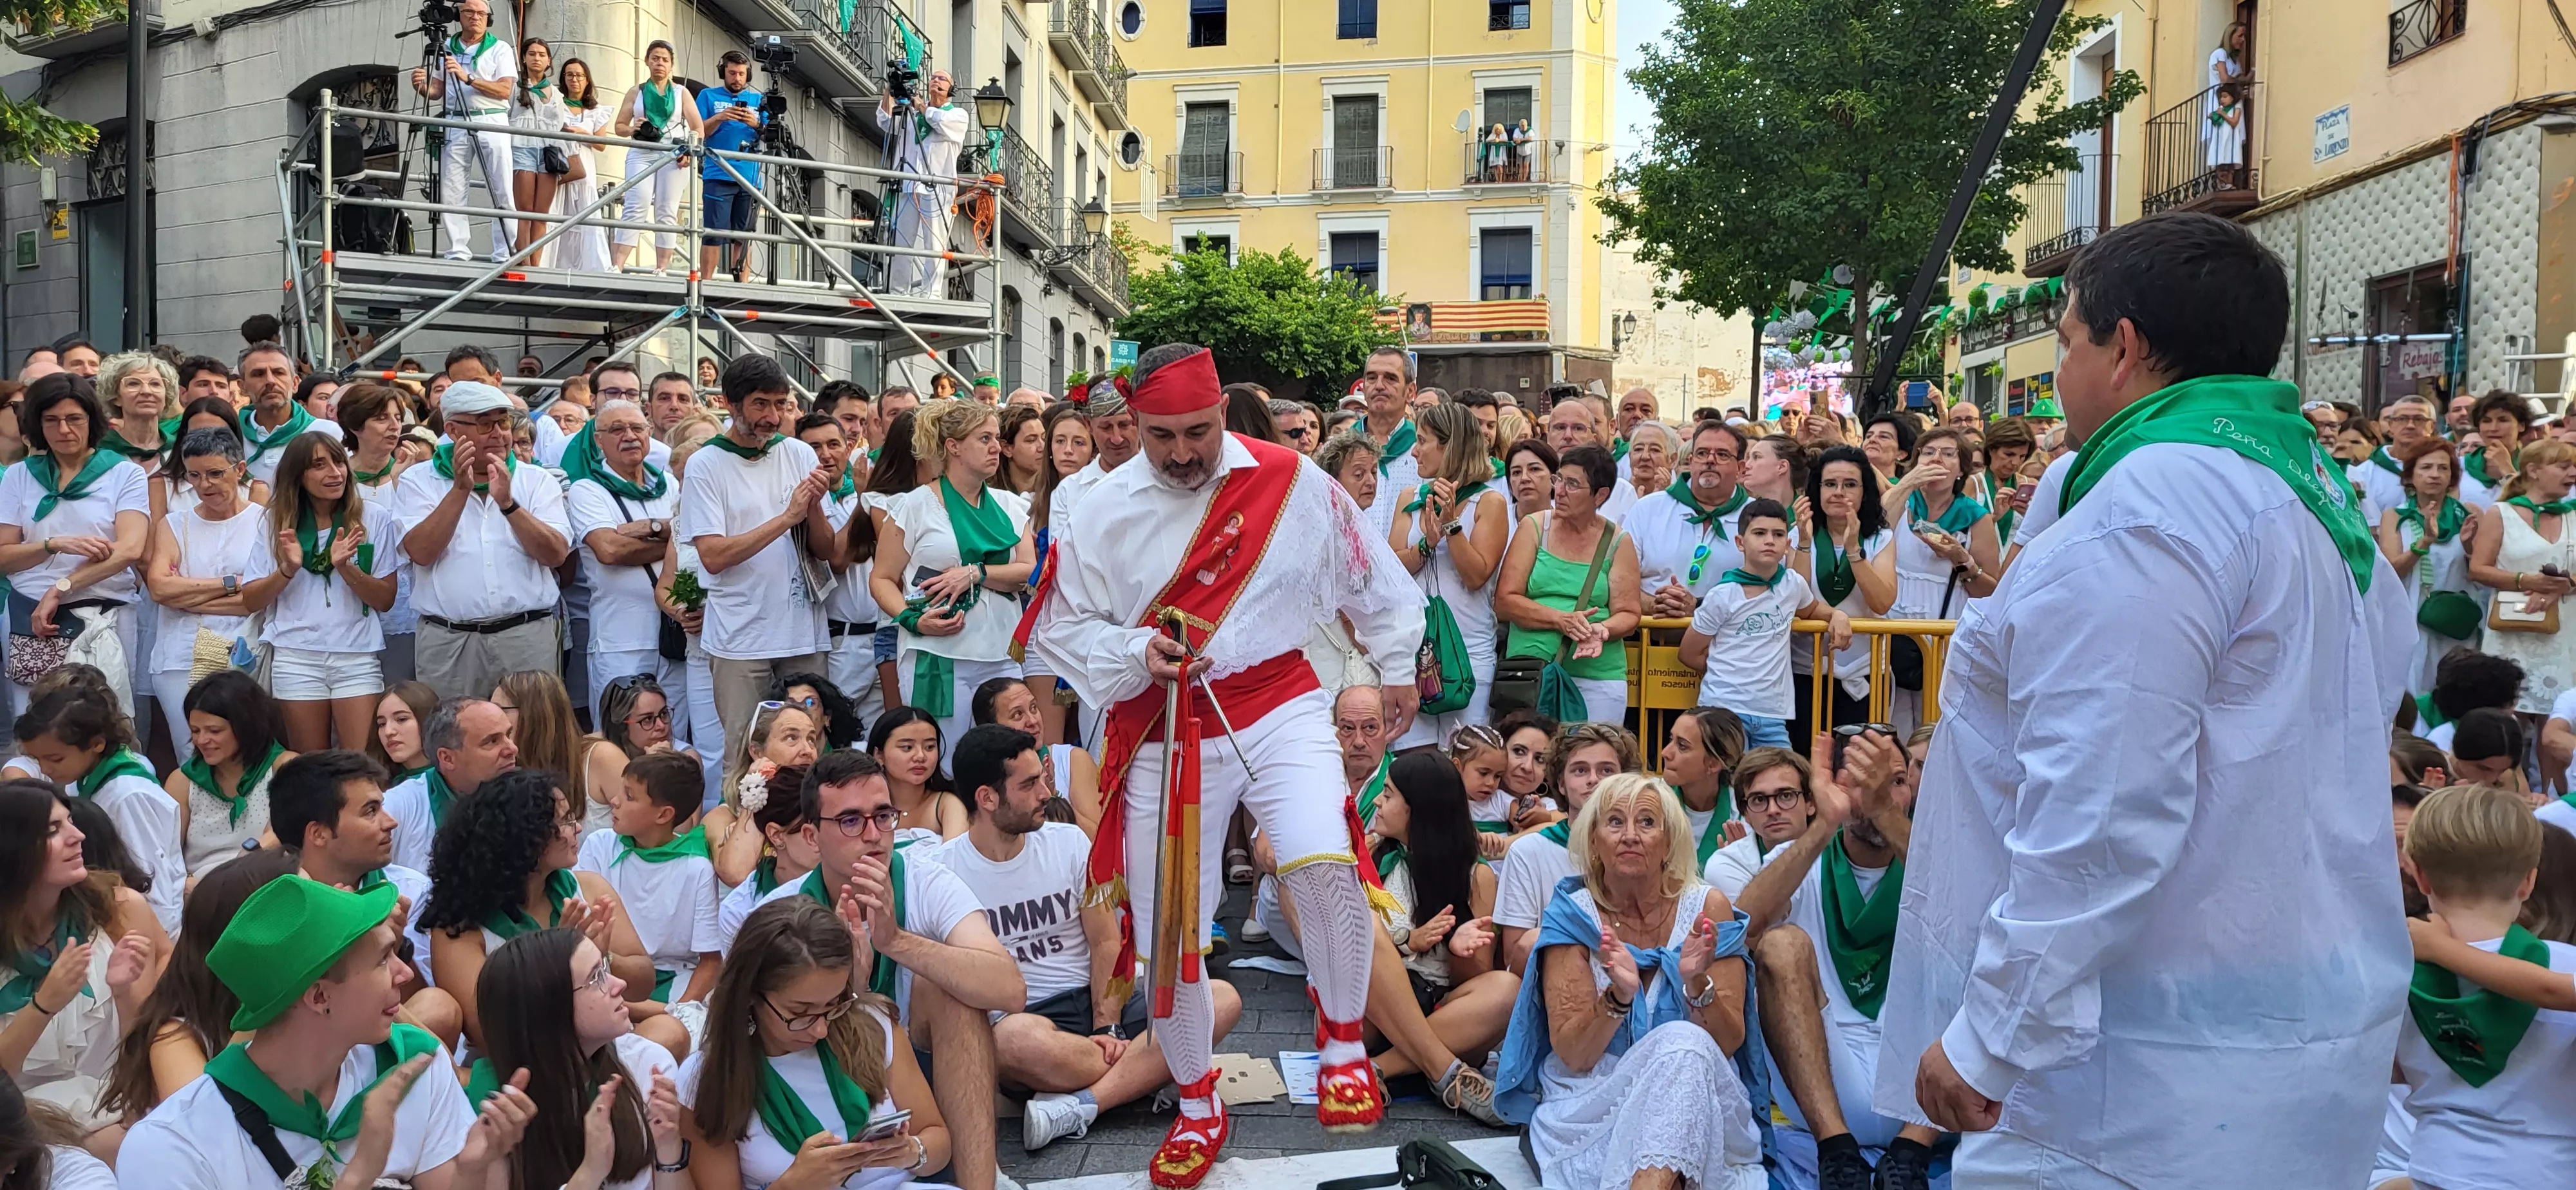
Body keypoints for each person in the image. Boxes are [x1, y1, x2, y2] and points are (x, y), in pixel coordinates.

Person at [1879, 213, 2413, 1187]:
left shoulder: (2152, 503)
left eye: (2069, 342)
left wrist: (1992, 1032)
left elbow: (2104, 804)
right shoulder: (2311, 494)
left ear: (2121, 348)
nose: (2064, 368)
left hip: (2139, 1083)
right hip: (2277, 1038)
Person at [1028, 343, 1427, 1180]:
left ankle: (1346, 1042)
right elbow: (1057, 629)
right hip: (1165, 718)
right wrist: (1139, 650)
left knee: (1321, 859)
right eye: (1162, 435)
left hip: (1281, 700)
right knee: (1173, 926)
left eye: (1199, 432)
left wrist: (1395, 664)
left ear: (1222, 415)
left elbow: (1372, 575)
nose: (1182, 452)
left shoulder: (1290, 481)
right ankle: (1198, 1100)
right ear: (1134, 425)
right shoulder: (1096, 508)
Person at [931, 724, 1245, 1151]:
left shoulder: (1068, 842)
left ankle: (1084, 1103)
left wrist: (1108, 1025)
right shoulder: (943, 871)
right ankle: (1146, 1073)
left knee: (1220, 999)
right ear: (987, 799)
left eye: (1042, 778)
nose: (1046, 793)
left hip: (1099, 1000)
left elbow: (1104, 942)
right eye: (1028, 785)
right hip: (1028, 1020)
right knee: (1009, 1042)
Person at [115, 873, 536, 1189]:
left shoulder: (413, 1065)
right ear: (319, 998)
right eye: (383, 959)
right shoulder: (172, 1145)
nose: (405, 972)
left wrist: (481, 1164)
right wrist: (362, 1172)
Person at [724, 751, 1014, 1190]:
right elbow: (749, 1022)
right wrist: (849, 992)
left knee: (952, 993)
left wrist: (896, 941)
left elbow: (1009, 989)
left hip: (920, 1054)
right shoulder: (779, 913)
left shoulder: (924, 878)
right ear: (812, 835)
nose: (874, 834)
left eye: (883, 815)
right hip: (824, 1057)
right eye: (851, 821)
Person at [1491, 772, 1766, 1190]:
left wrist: (1695, 985)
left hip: (1698, 1098)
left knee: (1685, 1043)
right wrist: (1618, 997)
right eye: (1615, 822)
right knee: (1681, 1046)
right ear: (1594, 842)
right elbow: (1574, 1055)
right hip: (1596, 1101)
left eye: (1647, 822)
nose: (1631, 836)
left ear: (1670, 842)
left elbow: (1727, 1043)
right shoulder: (1576, 912)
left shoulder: (1706, 906)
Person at [1733, 727, 1940, 1190]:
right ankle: (1838, 1156)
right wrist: (1824, 826)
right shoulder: (1799, 856)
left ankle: (1911, 1153)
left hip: (1924, 1088)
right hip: (1825, 1077)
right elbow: (1742, 928)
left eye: (1893, 781)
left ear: (1910, 792)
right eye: (1858, 782)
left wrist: (1887, 814)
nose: (1873, 794)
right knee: (1779, 944)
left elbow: (1966, 920)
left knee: (1972, 945)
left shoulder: (1936, 862)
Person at [677, 896, 952, 1188]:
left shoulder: (873, 1025)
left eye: (834, 1004)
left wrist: (912, 1151)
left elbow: (938, 1140)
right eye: (800, 1013)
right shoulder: (708, 1078)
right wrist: (792, 1184)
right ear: (749, 997)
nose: (820, 1029)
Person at [2388, 784, 2576, 1190]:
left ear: (2418, 875)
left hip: (2437, 1169)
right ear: (2528, 881)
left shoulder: (2394, 970)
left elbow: (2388, 1068)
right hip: (2550, 1173)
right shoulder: (2568, 966)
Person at [418, 768, 667, 1054]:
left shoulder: (587, 887)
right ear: (523, 837)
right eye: (565, 821)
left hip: (598, 1042)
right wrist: (559, 961)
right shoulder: (459, 927)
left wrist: (600, 955)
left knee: (668, 1034)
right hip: (529, 1062)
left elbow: (644, 983)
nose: (578, 828)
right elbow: (489, 1033)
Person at [682, 357, 835, 753]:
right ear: (732, 405)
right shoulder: (705, 463)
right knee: (745, 751)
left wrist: (813, 507)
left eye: (781, 404)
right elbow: (713, 556)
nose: (773, 416)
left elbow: (824, 549)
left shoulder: (799, 453)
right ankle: (739, 818)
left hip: (801, 635)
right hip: (740, 638)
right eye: (761, 404)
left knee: (809, 749)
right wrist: (788, 516)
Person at [466, 927, 690, 1190]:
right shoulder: (495, 1101)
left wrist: (668, 1148)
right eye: (597, 978)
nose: (619, 985)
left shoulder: (646, 1064)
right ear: (549, 1009)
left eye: (605, 968)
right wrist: (590, 1173)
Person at [873, 401, 1036, 761]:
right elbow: (882, 578)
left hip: (1001, 651)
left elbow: (1028, 570)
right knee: (942, 758)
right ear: (953, 446)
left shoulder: (1011, 506)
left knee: (1006, 758)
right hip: (938, 654)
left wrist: (976, 573)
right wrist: (910, 619)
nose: (997, 447)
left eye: (997, 438)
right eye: (984, 438)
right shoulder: (915, 506)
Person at [96, 848, 304, 1122]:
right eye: (309, 906)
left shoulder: (316, 998)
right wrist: (265, 997)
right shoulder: (173, 1037)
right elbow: (205, 1128)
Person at [0, 780, 164, 1128]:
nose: (78, 836)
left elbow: (146, 1043)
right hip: (23, 1126)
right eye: (53, 830)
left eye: (70, 822)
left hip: (119, 1108)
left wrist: (123, 992)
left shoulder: (117, 909)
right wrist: (44, 1005)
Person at [393, 381, 571, 699]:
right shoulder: (417, 480)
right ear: (451, 429)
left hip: (526, 637)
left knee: (534, 739)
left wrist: (509, 504)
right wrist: (460, 491)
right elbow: (421, 552)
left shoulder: (537, 480)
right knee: (451, 739)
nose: (499, 434)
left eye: (503, 422)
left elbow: (556, 554)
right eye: (485, 424)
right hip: (450, 642)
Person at [1359, 751, 1519, 1107]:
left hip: (1443, 1008)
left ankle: (1379, 1069)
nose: (1378, 803)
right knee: (1365, 929)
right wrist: (1406, 943)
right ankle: (1441, 1069)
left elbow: (1470, 982)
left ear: (1418, 808)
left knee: (1507, 989)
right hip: (1381, 1009)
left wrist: (1458, 944)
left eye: (1388, 794)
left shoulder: (1475, 877)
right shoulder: (1374, 859)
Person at [241, 434, 402, 750]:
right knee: (309, 764)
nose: (335, 472)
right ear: (298, 476)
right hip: (295, 656)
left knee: (363, 761)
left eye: (339, 462)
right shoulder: (276, 523)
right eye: (319, 465)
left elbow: (385, 600)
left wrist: (346, 567)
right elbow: (251, 600)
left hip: (356, 655)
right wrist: (287, 570)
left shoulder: (372, 518)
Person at [0, 375, 149, 713]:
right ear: (37, 425)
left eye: (74, 419)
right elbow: (4, 555)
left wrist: (61, 587)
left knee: (108, 720)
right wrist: (53, 545)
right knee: (36, 722)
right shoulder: (19, 476)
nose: (64, 430)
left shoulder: (125, 474)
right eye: (51, 420)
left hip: (105, 612)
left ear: (91, 421)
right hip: (31, 616)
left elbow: (130, 549)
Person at [576, 751, 722, 1040]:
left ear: (663, 815)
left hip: (673, 982)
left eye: (629, 796)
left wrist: (680, 1010)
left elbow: (710, 961)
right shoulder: (600, 845)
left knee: (686, 1035)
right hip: (602, 973)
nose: (614, 801)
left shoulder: (697, 868)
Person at [1682, 499, 1852, 748]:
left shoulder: (1792, 584)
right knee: (1726, 782)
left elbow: (1812, 610)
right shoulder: (1722, 595)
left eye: (1778, 534)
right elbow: (1689, 653)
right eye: (1760, 533)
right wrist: (1731, 670)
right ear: (1741, 543)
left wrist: (1839, 616)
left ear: (1787, 544)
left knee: (1778, 781)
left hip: (1773, 714)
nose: (1770, 540)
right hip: (1723, 710)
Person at [1495, 444, 1642, 724]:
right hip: (1531, 672)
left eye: (1572, 484)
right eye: (1559, 479)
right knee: (1531, 762)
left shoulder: (1617, 541)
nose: (1559, 491)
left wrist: (1601, 630)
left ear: (1601, 495)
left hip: (1598, 675)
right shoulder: (1535, 527)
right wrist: (1560, 620)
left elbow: (1629, 613)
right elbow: (1505, 601)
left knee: (1595, 760)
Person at [13, 690, 182, 932]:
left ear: (96, 744)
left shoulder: (129, 796)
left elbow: (155, 885)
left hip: (141, 931)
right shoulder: (80, 779)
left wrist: (159, 955)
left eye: (55, 759)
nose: (45, 769)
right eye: (37, 760)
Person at [138, 428, 262, 759]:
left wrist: (187, 596)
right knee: (192, 754)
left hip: (245, 652)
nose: (204, 485)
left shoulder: (265, 520)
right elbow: (159, 588)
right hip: (179, 655)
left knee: (245, 751)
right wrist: (232, 583)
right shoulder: (174, 524)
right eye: (194, 475)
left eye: (215, 473)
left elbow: (260, 598)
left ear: (240, 469)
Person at [1391, 402, 1508, 748]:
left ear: (1450, 445)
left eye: (1423, 441)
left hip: (1468, 654)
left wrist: (1451, 526)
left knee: (1466, 762)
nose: (1414, 451)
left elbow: (1475, 576)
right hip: (1415, 652)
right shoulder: (1409, 497)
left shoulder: (1490, 502)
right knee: (1413, 761)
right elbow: (1393, 571)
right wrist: (1426, 544)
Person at [566, 399, 685, 733]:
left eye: (637, 428)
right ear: (598, 440)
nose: (629, 436)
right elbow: (609, 550)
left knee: (671, 732)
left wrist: (654, 528)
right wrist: (673, 536)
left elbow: (691, 538)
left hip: (675, 633)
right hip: (621, 639)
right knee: (620, 733)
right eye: (616, 429)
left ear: (650, 433)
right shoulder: (587, 490)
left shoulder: (670, 484)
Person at [1493, 722, 1640, 974]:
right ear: (1561, 784)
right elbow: (1515, 955)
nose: (1594, 780)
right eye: (1580, 770)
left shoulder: (1642, 849)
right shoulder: (1529, 851)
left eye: (1606, 771)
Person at [1792, 446, 1897, 741]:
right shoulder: (1797, 534)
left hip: (1863, 673)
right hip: (1805, 672)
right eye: (1830, 484)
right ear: (1817, 489)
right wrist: (1802, 541)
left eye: (1850, 485)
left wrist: (1853, 551)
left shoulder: (1881, 538)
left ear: (1865, 492)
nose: (1839, 492)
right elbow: (1797, 605)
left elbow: (1882, 601)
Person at [2465, 437, 2576, 714]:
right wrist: (2527, 581)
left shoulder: (2573, 514)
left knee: (2560, 716)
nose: (2573, 473)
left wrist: (2564, 585)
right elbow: (2478, 569)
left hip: (2566, 631)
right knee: (2507, 713)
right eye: (2563, 466)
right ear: (2534, 471)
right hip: (2512, 628)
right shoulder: (2501, 513)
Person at [155, 670, 291, 881]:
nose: (202, 740)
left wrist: (232, 877)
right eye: (195, 730)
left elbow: (282, 835)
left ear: (246, 726)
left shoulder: (284, 767)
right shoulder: (182, 782)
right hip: (197, 889)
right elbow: (165, 852)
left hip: (264, 881)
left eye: (214, 731)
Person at [411, 0, 518, 261]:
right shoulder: (446, 47)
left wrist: (468, 77)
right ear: (459, 15)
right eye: (469, 12)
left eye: (481, 13)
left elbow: (505, 90)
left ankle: (504, 251)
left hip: (490, 120)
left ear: (488, 17)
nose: (476, 17)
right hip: (455, 121)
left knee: (501, 186)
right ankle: (458, 250)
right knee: (452, 188)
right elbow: (437, 91)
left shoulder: (500, 48)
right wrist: (422, 87)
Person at [2377, 438, 2481, 695]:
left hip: (2458, 612)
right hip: (2412, 611)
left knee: (2459, 681)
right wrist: (2424, 542)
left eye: (2443, 468)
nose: (2435, 475)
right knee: (2413, 678)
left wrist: (2469, 546)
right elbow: (2392, 571)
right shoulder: (2395, 516)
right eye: (2426, 468)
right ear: (2411, 475)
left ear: (2453, 476)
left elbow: (2481, 570)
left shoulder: (2469, 513)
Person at [381, 696, 519, 874]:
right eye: (492, 741)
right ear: (447, 758)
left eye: (508, 735)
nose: (512, 749)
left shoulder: (535, 798)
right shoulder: (397, 807)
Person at [1627, 420, 1750, 618]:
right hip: (1649, 639)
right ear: (1691, 461)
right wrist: (1656, 604)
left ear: (1741, 468)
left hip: (1728, 644)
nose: (1710, 460)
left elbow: (1769, 588)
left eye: (1722, 455)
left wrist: (1700, 608)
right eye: (1702, 453)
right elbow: (1619, 580)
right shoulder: (1647, 509)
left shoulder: (1758, 517)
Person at [875, 70, 972, 296]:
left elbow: (939, 121)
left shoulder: (957, 115)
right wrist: (890, 92)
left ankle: (932, 294)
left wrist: (920, 106)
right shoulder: (912, 114)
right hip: (909, 185)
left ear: (951, 89)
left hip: (938, 189)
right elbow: (885, 122)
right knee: (902, 243)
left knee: (934, 245)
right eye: (933, 78)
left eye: (942, 79)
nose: (936, 81)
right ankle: (898, 291)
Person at [611, 41, 703, 274]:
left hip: (672, 154)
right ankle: (617, 265)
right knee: (635, 205)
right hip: (642, 151)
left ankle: (662, 268)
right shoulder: (637, 91)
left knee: (666, 210)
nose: (659, 63)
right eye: (655, 58)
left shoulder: (682, 93)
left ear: (671, 64)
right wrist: (634, 128)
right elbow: (619, 127)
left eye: (664, 59)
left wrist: (691, 153)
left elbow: (698, 127)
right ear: (647, 61)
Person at [970, 675, 1098, 832]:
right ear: (991, 729)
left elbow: (1099, 839)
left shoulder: (1072, 760)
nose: (1033, 720)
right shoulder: (981, 778)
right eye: (1018, 715)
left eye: (1034, 708)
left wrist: (1053, 798)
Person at [1704, 746, 1814, 899]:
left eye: (1786, 796)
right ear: (1745, 814)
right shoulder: (1727, 865)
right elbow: (1755, 922)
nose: (1773, 810)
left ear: (1811, 803)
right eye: (1759, 800)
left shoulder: (1838, 856)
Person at [694, 50, 767, 283]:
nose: (737, 78)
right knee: (714, 233)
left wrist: (755, 124)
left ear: (749, 76)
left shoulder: (759, 101)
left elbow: (771, 136)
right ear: (723, 73)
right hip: (718, 174)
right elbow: (698, 132)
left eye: (742, 74)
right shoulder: (707, 96)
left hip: (750, 176)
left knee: (743, 236)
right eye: (732, 73)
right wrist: (721, 117)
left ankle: (742, 286)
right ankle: (706, 283)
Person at [1352, 346, 1425, 539]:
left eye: (1390, 378)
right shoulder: (1339, 452)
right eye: (1371, 378)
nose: (1379, 386)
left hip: (1411, 567)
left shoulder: (1425, 452)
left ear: (1410, 392)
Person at [549, 57, 614, 272]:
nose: (574, 79)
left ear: (587, 80)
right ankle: (551, 264)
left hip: (583, 165)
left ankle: (591, 268)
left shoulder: (596, 110)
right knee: (555, 210)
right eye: (569, 75)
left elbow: (603, 144)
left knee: (586, 212)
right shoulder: (555, 102)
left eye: (579, 75)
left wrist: (582, 133)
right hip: (559, 163)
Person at [507, 38, 567, 261]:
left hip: (548, 151)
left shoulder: (556, 93)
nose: (537, 58)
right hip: (522, 147)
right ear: (524, 58)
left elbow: (559, 125)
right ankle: (524, 264)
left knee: (541, 214)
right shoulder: (515, 86)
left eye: (542, 54)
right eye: (532, 54)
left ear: (549, 60)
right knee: (524, 212)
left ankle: (536, 264)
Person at [2461, 389, 2533, 507]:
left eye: (2503, 420)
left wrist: (2507, 470)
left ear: (2521, 426)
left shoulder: (2536, 467)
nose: (2493, 428)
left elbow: (2535, 507)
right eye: (2486, 421)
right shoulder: (2460, 466)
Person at [369, 681, 439, 784]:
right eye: (382, 724)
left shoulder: (457, 781)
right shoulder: (371, 785)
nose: (388, 732)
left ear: (428, 720)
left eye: (401, 719)